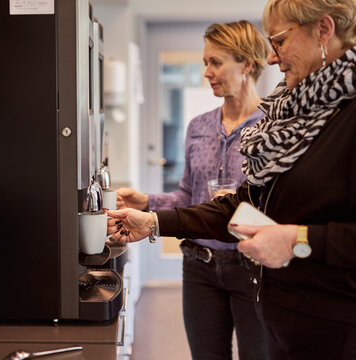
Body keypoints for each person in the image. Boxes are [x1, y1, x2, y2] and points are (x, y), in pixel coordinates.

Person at [108, 0, 356, 358]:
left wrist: (298, 239)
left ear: (323, 30)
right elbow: (241, 206)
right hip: (284, 319)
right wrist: (153, 221)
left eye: (281, 41)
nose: (273, 58)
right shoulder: (292, 118)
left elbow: (306, 234)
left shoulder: (340, 118)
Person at [117, 20, 269, 359]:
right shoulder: (198, 127)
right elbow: (188, 196)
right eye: (205, 63)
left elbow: (278, 205)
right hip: (200, 265)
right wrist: (148, 202)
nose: (207, 72)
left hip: (252, 267)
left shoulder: (271, 129)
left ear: (246, 63)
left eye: (216, 62)